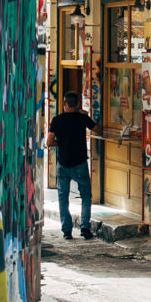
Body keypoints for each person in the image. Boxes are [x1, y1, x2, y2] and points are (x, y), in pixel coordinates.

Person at [48, 92, 104, 240]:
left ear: (64, 103)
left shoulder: (57, 120)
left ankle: (67, 231)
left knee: (62, 196)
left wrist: (60, 143)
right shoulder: (82, 118)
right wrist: (85, 114)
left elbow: (49, 142)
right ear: (78, 104)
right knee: (85, 195)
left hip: (63, 163)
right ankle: (85, 228)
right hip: (80, 163)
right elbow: (98, 129)